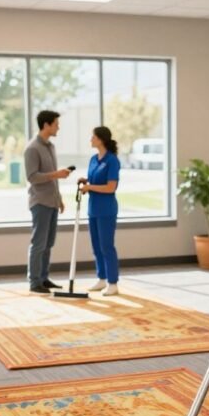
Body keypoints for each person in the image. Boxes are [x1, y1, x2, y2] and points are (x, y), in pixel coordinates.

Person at [25, 110, 73, 294]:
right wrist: (57, 174)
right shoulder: (32, 148)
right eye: (56, 124)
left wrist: (59, 198)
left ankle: (44, 278)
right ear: (46, 125)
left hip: (52, 202)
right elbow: (32, 177)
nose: (58, 127)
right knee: (38, 243)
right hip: (40, 203)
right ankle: (34, 282)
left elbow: (52, 178)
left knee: (48, 243)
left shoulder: (50, 147)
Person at [78, 126, 121, 296]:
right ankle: (102, 278)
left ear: (101, 139)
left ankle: (113, 282)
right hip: (93, 209)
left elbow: (111, 187)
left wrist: (90, 187)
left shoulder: (112, 161)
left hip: (107, 210)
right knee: (96, 246)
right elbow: (96, 178)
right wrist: (86, 180)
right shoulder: (93, 159)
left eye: (93, 137)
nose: (90, 139)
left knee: (106, 246)